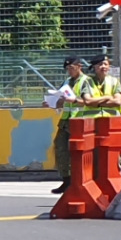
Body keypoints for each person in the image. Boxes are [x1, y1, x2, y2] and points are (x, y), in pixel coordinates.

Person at [47, 56, 89, 193]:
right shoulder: (67, 81)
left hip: (80, 120)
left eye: (71, 68)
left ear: (79, 66)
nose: (69, 71)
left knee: (77, 152)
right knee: (60, 148)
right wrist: (51, 102)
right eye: (67, 69)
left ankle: (79, 180)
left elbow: (88, 101)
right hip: (66, 120)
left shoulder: (86, 81)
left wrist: (73, 100)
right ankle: (66, 180)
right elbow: (60, 98)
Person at [81, 54, 121, 119]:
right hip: (92, 121)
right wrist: (107, 97)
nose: (103, 66)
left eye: (106, 64)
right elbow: (88, 101)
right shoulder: (87, 82)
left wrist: (96, 104)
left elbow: (117, 101)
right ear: (94, 66)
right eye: (100, 64)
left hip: (111, 121)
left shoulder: (114, 81)